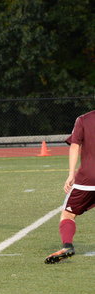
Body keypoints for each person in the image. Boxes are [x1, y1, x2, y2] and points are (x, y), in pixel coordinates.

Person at [45, 110, 95, 264]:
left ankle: (67, 246)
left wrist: (71, 174)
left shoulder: (84, 119)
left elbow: (74, 146)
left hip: (88, 177)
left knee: (68, 214)